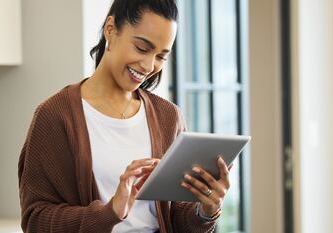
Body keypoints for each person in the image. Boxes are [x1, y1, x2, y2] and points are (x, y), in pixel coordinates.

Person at [18, 0, 232, 232]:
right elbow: (35, 220)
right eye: (142, 48)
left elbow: (175, 216)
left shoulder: (168, 117)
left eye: (161, 56)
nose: (150, 65)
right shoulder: (55, 116)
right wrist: (110, 212)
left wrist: (206, 210)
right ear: (110, 29)